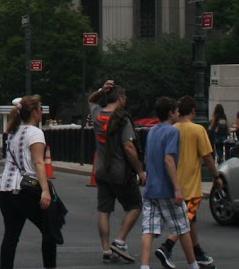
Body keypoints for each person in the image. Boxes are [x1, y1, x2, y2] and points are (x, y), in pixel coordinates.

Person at [155, 96, 220, 269]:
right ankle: (167, 246)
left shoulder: (172, 128)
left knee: (191, 221)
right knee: (184, 221)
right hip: (190, 186)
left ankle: (197, 253)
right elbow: (207, 157)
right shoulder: (198, 130)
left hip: (174, 183)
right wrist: (216, 177)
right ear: (193, 111)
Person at [0, 95, 57, 269]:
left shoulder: (12, 132)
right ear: (36, 112)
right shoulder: (36, 132)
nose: (41, 113)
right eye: (40, 109)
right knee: (50, 231)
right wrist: (45, 190)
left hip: (5, 189)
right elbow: (38, 162)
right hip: (26, 190)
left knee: (11, 236)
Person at [140, 96, 199, 269]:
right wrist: (177, 188)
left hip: (151, 188)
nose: (178, 114)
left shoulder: (151, 131)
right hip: (166, 188)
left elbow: (148, 158)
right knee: (182, 227)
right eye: (176, 111)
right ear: (170, 113)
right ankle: (193, 264)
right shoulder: (173, 132)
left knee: (149, 229)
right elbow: (169, 160)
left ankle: (144, 266)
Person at [91, 82, 143, 263]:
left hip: (101, 170)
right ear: (120, 98)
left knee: (104, 210)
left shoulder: (97, 114)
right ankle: (120, 241)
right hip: (120, 171)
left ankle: (106, 249)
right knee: (135, 205)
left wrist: (100, 91)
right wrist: (140, 171)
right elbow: (129, 146)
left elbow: (91, 100)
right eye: (125, 98)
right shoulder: (122, 118)